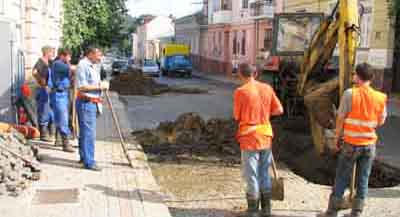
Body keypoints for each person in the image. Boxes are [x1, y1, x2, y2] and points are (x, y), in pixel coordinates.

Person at [318, 63, 387, 217]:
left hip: (351, 144)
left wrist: (337, 137)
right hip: (369, 145)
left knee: (342, 176)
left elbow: (340, 118)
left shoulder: (350, 94)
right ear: (372, 78)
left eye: (354, 74)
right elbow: (381, 121)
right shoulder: (380, 97)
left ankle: (332, 211)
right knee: (363, 178)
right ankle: (356, 212)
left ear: (357, 76)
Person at [233, 63, 284, 217]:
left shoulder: (240, 91)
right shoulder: (267, 88)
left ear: (240, 75)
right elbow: (279, 109)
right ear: (254, 74)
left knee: (251, 174)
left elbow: (236, 116)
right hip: (266, 135)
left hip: (249, 138)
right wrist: (265, 114)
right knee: (264, 172)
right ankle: (266, 209)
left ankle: (253, 210)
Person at [75, 47, 110, 171]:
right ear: (90, 54)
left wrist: (100, 84)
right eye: (98, 55)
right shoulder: (83, 66)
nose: (100, 58)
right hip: (86, 103)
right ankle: (89, 162)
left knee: (85, 132)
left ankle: (84, 157)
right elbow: (82, 87)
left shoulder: (92, 65)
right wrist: (100, 86)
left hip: (91, 103)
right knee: (89, 134)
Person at [49, 48, 75, 153]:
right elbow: (73, 69)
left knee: (61, 118)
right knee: (63, 118)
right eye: (68, 56)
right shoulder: (58, 64)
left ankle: (59, 140)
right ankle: (65, 143)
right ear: (62, 56)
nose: (69, 59)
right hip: (58, 94)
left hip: (64, 93)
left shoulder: (62, 64)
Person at [32, 46, 55, 142]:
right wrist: (43, 84)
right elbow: (34, 72)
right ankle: (44, 134)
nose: (53, 55)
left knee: (50, 112)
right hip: (43, 90)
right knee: (44, 111)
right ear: (47, 53)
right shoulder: (40, 62)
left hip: (50, 90)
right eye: (51, 53)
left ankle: (51, 133)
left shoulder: (49, 63)